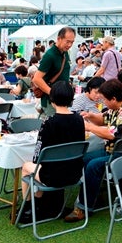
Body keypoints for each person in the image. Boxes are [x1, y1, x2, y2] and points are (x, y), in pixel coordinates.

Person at [64, 79, 122, 222]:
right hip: (113, 151)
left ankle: (83, 208)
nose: (103, 103)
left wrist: (88, 127)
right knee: (85, 158)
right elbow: (103, 118)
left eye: (105, 100)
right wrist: (90, 116)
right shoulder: (119, 107)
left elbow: (110, 133)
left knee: (93, 166)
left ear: (113, 98)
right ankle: (92, 194)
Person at [18, 81, 86, 215]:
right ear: (71, 99)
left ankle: (28, 206)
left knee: (27, 166)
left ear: (52, 99)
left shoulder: (49, 122)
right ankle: (39, 202)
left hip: (52, 176)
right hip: (75, 173)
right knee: (44, 166)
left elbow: (38, 154)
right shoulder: (79, 120)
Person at [32, 27, 75, 118]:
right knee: (53, 128)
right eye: (67, 41)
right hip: (51, 101)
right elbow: (37, 78)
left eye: (72, 42)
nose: (70, 45)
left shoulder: (65, 53)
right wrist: (53, 93)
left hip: (63, 99)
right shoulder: (50, 55)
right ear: (59, 39)